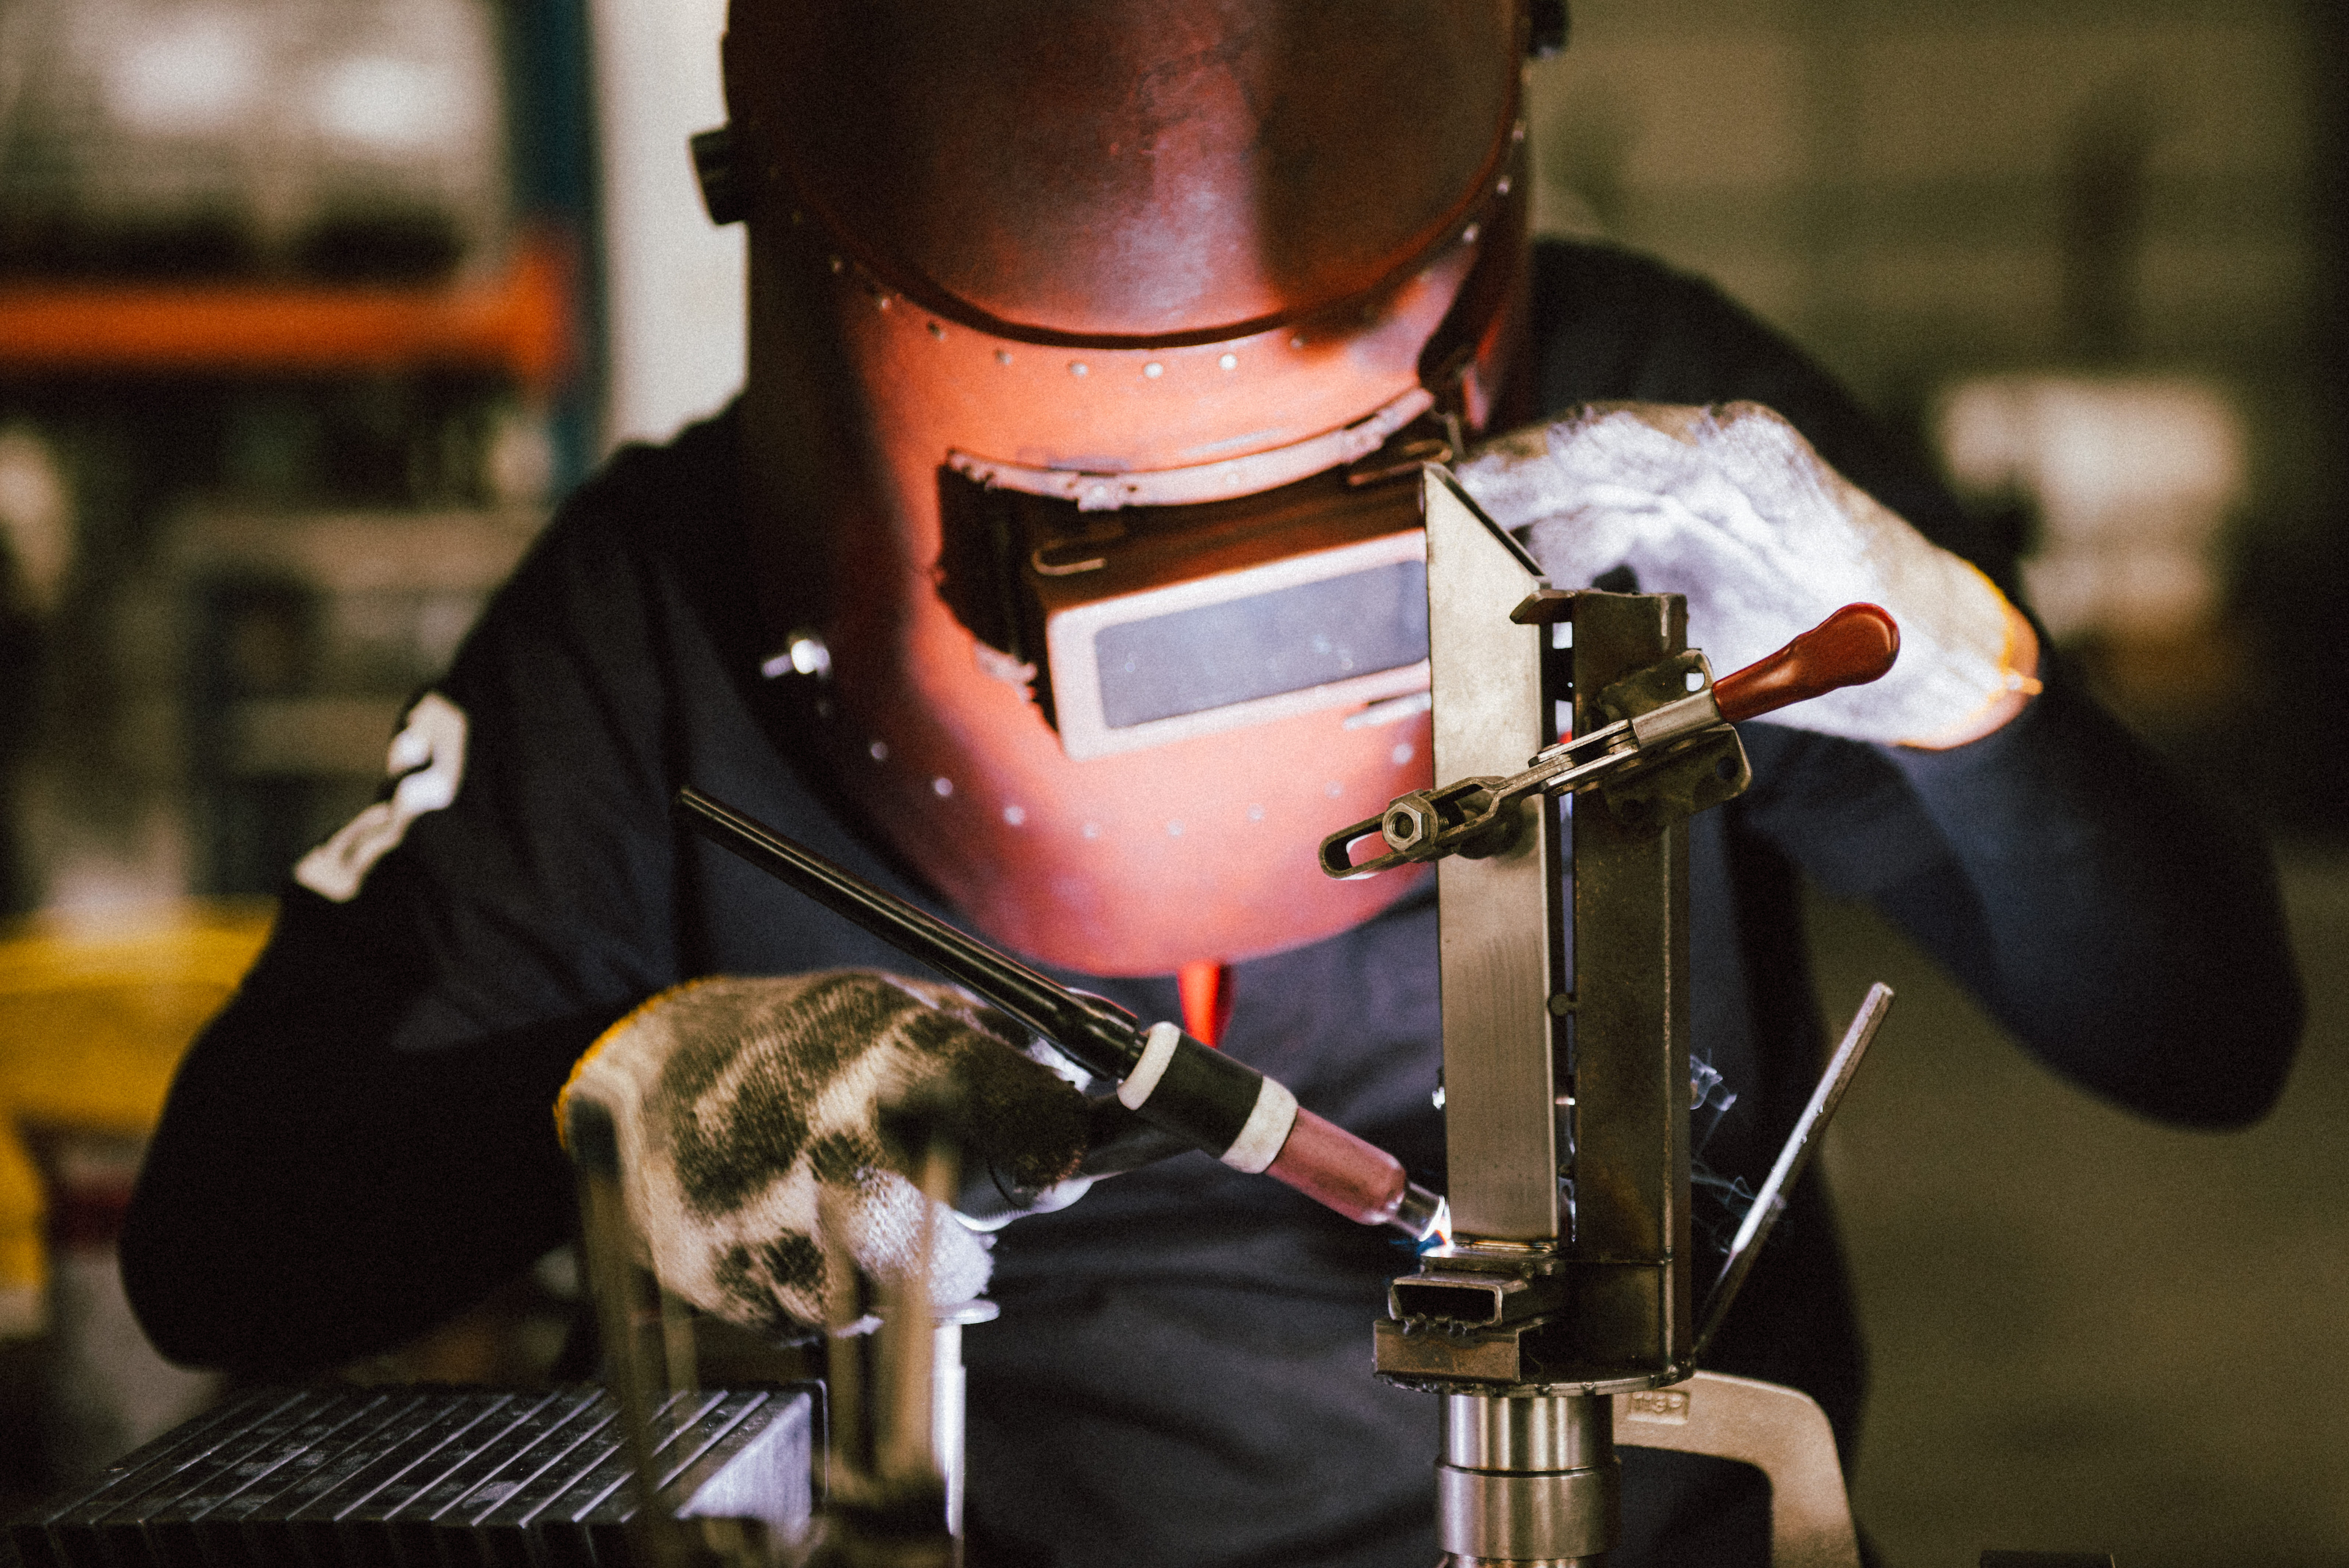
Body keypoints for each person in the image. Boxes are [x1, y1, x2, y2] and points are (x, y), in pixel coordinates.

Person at [120, 3, 2304, 1565]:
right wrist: (626, 1090)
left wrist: (1960, 685)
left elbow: (2208, 1037)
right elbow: (227, 1251)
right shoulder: (665, 616)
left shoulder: (1660, 471)